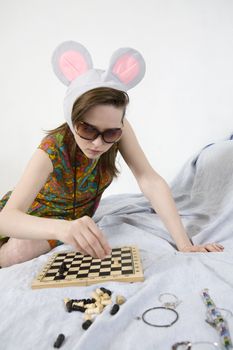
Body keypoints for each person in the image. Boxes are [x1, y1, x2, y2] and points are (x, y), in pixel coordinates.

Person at [0, 41, 224, 268]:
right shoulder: (52, 149)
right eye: (87, 129)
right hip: (29, 222)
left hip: (68, 226)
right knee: (19, 251)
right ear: (71, 119)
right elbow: (6, 219)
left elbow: (149, 179)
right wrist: (63, 228)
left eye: (111, 132)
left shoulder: (120, 130)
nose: (98, 143)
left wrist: (185, 244)